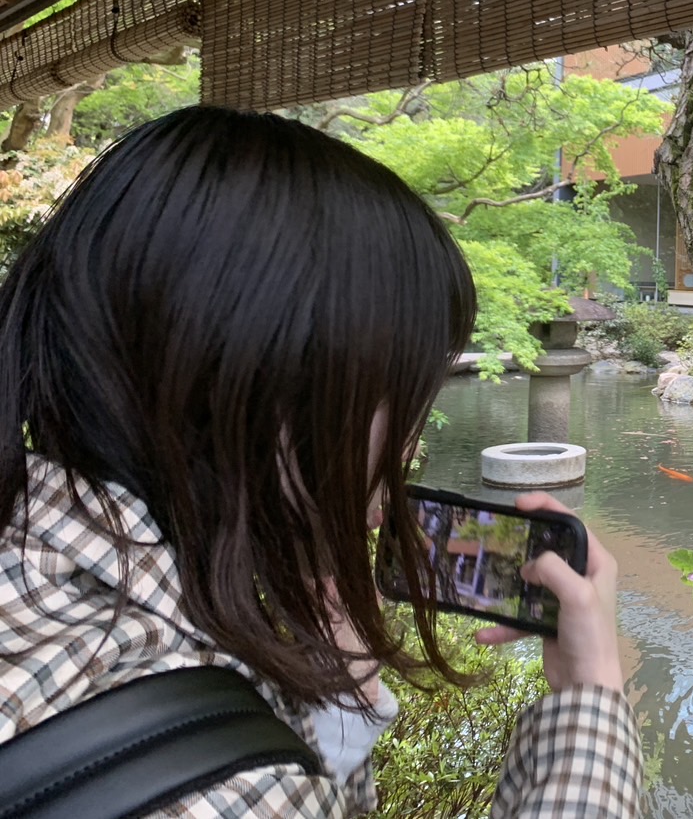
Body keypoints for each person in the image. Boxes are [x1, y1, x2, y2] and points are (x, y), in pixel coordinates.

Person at [0, 107, 641, 817]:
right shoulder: (224, 789)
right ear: (267, 386)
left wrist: (330, 716)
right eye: (403, 402)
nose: (408, 451)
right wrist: (590, 694)